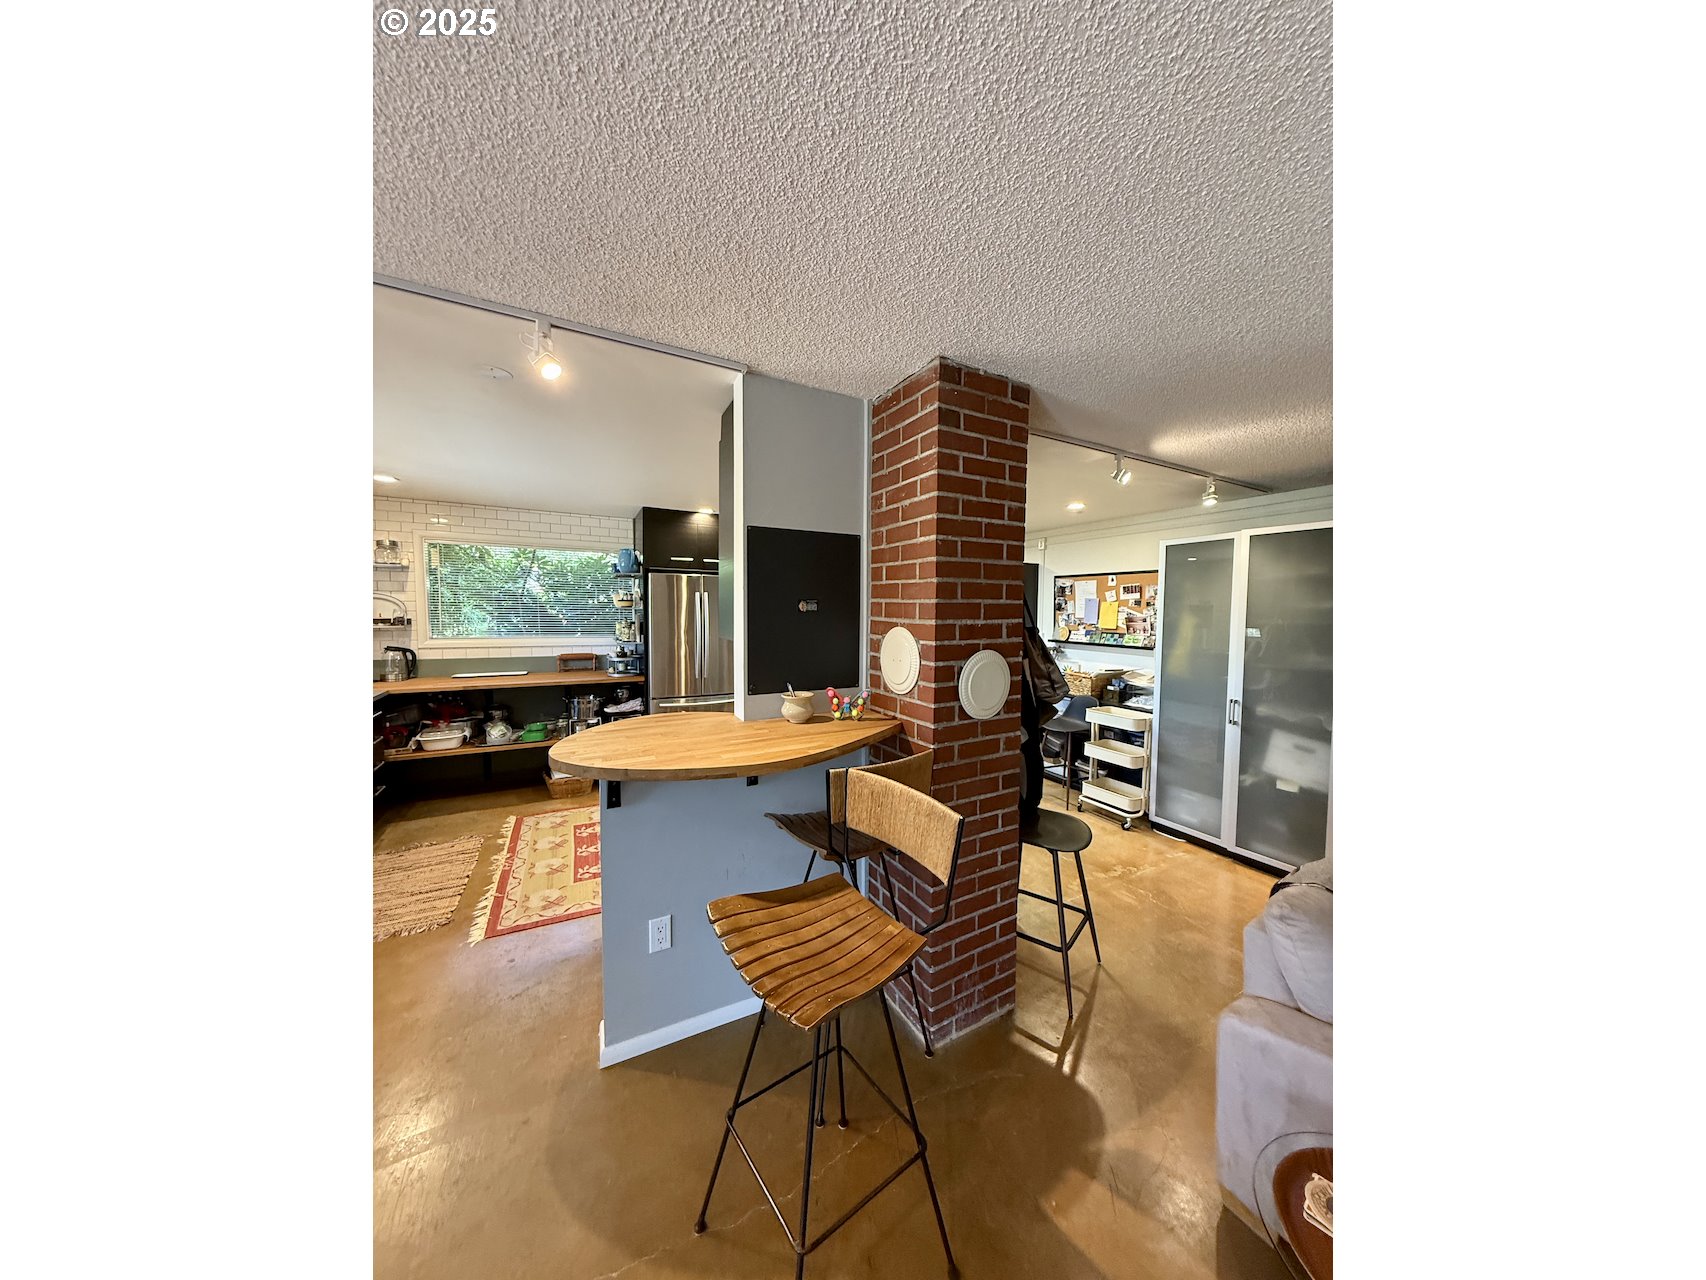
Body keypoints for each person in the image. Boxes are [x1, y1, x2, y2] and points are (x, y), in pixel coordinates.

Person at [1019, 595, 1069, 814]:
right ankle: (1031, 801)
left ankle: (1029, 802)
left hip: (1028, 703)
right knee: (1030, 745)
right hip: (1029, 704)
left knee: (1029, 745)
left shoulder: (1023, 646)